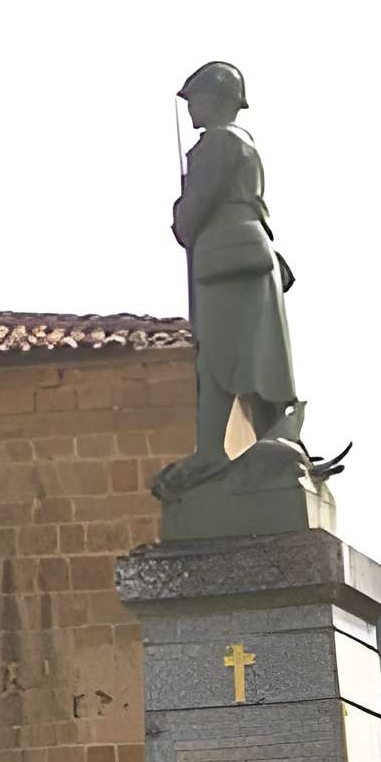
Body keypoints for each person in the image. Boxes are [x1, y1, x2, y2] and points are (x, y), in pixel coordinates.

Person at [159, 60, 308, 494]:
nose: (191, 109)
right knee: (256, 356)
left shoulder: (217, 145)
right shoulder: (244, 143)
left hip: (225, 258)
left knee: (217, 359)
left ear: (218, 98)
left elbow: (193, 214)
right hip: (247, 252)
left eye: (197, 98)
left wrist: (179, 215)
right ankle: (279, 440)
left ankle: (213, 451)